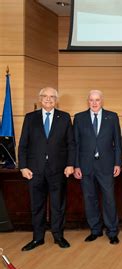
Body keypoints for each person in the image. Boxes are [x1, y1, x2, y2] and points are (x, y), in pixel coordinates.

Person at [18, 87, 75, 251]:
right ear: (40, 99)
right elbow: (23, 145)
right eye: (45, 96)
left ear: (56, 100)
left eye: (52, 97)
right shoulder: (30, 118)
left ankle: (58, 236)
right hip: (34, 170)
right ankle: (37, 238)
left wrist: (70, 164)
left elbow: (71, 144)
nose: (48, 99)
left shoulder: (64, 117)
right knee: (37, 205)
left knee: (58, 205)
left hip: (58, 169)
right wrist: (23, 166)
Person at [73, 90, 122, 245]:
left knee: (109, 199)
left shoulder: (112, 116)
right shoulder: (79, 118)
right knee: (90, 199)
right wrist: (76, 166)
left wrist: (117, 163)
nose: (94, 103)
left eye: (97, 100)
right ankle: (95, 230)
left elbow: (118, 144)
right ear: (88, 101)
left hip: (106, 165)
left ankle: (112, 231)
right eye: (91, 100)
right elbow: (76, 144)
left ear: (102, 101)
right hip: (86, 166)